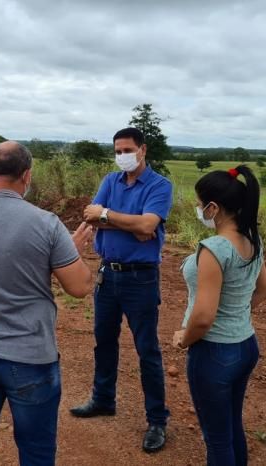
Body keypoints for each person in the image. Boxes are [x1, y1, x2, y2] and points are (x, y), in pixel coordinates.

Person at [0, 141, 95, 466]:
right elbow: (80, 287)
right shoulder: (46, 224)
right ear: (26, 175)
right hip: (28, 357)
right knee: (36, 449)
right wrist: (70, 253)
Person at [70, 127, 173, 453]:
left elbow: (147, 227)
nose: (122, 156)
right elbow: (91, 217)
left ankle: (157, 420)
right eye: (117, 150)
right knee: (104, 341)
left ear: (143, 150)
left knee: (147, 349)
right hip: (107, 275)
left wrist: (109, 217)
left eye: (127, 149)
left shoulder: (160, 185)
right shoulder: (110, 181)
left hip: (140, 278)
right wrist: (125, 221)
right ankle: (103, 399)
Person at [172, 165, 266, 465]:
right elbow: (264, 290)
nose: (198, 209)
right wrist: (236, 315)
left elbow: (203, 318)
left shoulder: (214, 249)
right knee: (231, 427)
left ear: (213, 208)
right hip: (245, 346)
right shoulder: (252, 241)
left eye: (200, 204)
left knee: (216, 440)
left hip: (213, 353)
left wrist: (184, 338)